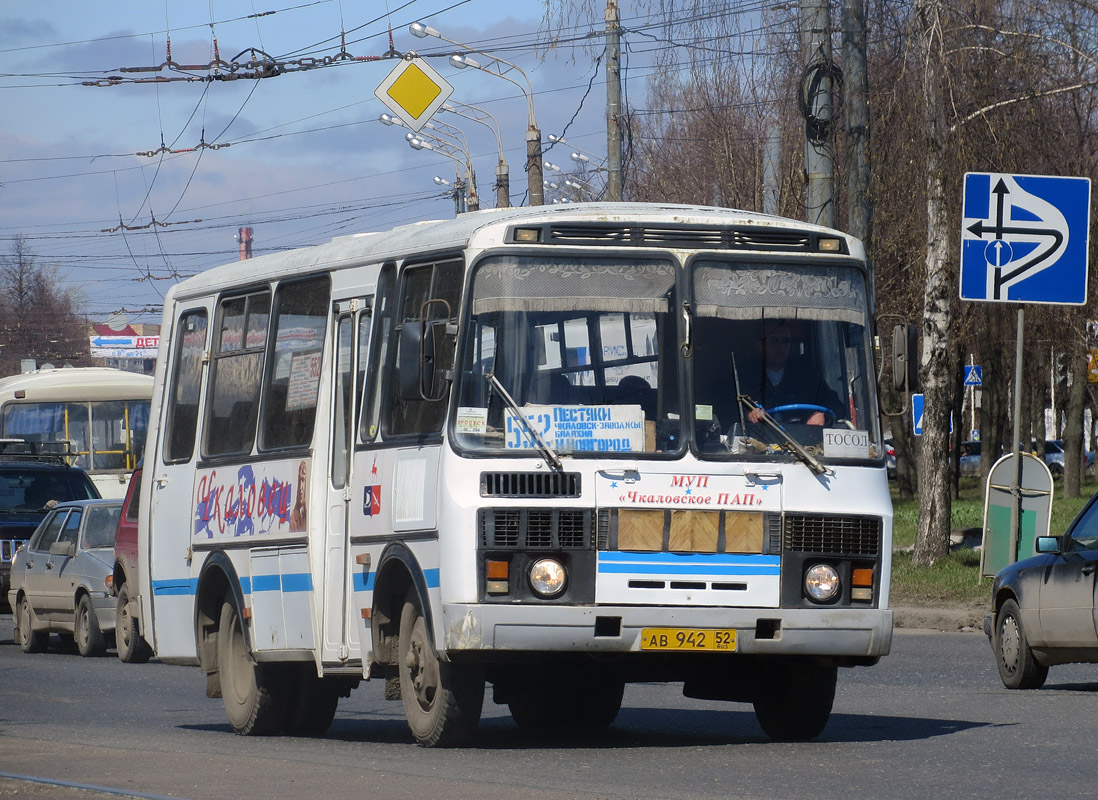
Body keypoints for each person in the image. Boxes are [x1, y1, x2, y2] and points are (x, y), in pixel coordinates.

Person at [735, 320, 843, 427]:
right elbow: (726, 413)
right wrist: (747, 414)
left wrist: (823, 415)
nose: (780, 346)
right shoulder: (743, 377)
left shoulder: (807, 376)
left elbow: (837, 406)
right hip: (756, 442)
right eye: (773, 340)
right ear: (759, 345)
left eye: (785, 341)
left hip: (801, 442)